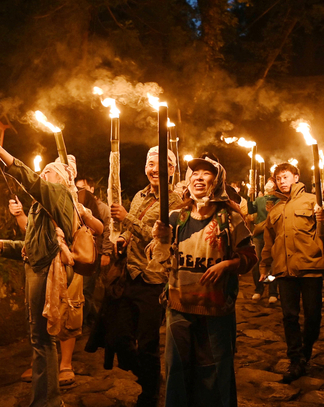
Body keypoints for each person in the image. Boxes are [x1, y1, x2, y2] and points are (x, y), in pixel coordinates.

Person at [0, 129, 100, 407]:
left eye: (49, 171)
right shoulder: (39, 207)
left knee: (43, 337)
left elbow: (28, 177)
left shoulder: (59, 194)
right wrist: (0, 244)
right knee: (39, 337)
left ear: (61, 178)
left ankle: (46, 400)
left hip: (48, 272)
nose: (43, 175)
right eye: (43, 172)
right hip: (38, 269)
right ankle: (45, 397)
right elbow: (31, 247)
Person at [148, 157, 257, 407]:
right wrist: (160, 240)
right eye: (194, 172)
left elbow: (250, 256)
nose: (199, 177)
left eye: (206, 173)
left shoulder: (230, 218)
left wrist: (227, 264)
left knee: (214, 372)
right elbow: (160, 259)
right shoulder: (176, 217)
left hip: (215, 309)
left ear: (216, 181)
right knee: (177, 371)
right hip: (178, 307)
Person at [106, 146, 182, 407]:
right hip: (130, 275)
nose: (154, 169)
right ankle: (149, 377)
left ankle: (150, 394)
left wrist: (127, 221)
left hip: (154, 279)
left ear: (171, 170)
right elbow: (131, 228)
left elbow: (160, 236)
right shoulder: (139, 195)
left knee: (148, 343)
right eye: (150, 163)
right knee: (119, 339)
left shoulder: (176, 201)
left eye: (161, 165)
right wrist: (122, 239)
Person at [260, 163, 324, 384]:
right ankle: (296, 359)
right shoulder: (275, 209)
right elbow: (269, 241)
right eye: (278, 178)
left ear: (296, 177)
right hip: (283, 270)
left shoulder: (311, 200)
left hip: (310, 267)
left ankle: (306, 349)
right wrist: (264, 266)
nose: (282, 181)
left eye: (285, 176)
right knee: (289, 316)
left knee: (313, 316)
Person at [76, 177, 113, 329]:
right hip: (79, 254)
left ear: (91, 188)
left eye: (83, 188)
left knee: (86, 289)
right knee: (82, 290)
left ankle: (93, 322)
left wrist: (106, 252)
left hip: (94, 253)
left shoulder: (101, 208)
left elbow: (107, 230)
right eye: (77, 188)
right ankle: (94, 321)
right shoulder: (76, 206)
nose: (80, 191)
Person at [247, 177, 280, 303]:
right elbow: (251, 210)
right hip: (259, 235)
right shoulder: (259, 200)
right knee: (257, 263)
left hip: (274, 235)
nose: (270, 184)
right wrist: (249, 196)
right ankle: (258, 289)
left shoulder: (279, 201)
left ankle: (272, 291)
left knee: (273, 264)